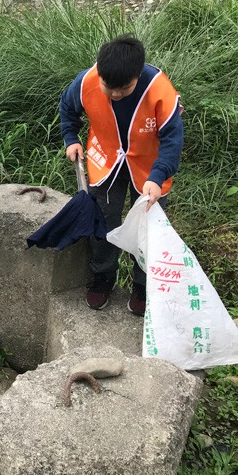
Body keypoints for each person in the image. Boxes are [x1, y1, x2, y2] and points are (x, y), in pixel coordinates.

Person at [59, 34, 184, 316]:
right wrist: (71, 138)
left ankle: (142, 285)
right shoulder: (87, 81)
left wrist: (158, 175)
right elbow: (67, 108)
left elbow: (173, 140)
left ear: (137, 76)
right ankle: (103, 276)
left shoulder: (159, 90)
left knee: (147, 229)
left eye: (123, 89)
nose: (114, 94)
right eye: (108, 87)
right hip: (106, 160)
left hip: (150, 169)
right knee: (103, 220)